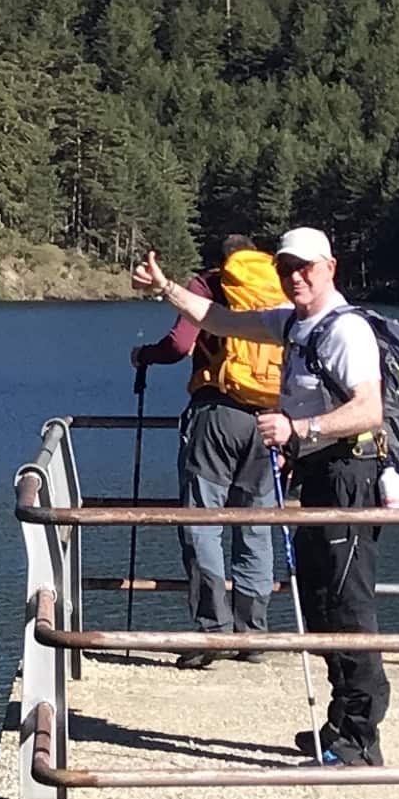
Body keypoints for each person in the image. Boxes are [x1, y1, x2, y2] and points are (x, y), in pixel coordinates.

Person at [254, 224, 390, 769]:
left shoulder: (346, 331)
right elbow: (219, 319)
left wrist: (298, 431)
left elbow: (369, 411)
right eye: (286, 267)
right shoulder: (294, 325)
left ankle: (361, 738)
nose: (294, 276)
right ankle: (339, 727)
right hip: (318, 475)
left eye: (305, 266)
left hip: (348, 477)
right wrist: (169, 289)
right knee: (319, 598)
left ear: (330, 266)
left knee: (349, 603)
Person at [125, 239, 295, 644]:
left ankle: (213, 631)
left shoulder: (210, 285)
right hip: (272, 422)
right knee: (256, 527)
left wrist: (142, 356)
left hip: (216, 418)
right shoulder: (278, 286)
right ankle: (253, 635)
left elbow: (179, 346)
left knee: (202, 523)